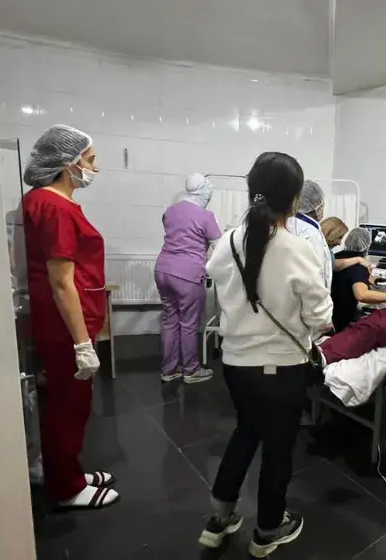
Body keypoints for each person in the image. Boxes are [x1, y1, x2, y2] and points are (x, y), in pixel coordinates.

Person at [199, 152, 333, 557]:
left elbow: (217, 286)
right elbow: (321, 315)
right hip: (283, 369)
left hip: (236, 364)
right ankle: (269, 529)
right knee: (277, 447)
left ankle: (219, 519)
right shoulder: (296, 248)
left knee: (245, 433)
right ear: (294, 199)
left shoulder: (227, 243)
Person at [20, 124, 119, 509]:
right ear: (67, 164)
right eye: (90, 161)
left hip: (65, 321)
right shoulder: (55, 207)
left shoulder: (43, 202)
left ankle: (65, 469)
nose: (95, 168)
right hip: (65, 327)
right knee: (69, 405)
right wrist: (81, 343)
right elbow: (62, 282)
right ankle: (67, 488)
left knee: (64, 403)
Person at [154, 173, 222, 384]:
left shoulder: (170, 211)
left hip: (162, 270)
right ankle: (191, 370)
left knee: (170, 320)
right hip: (187, 274)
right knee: (189, 323)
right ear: (204, 193)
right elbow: (218, 246)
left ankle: (169, 369)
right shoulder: (205, 216)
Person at [330, 227, 386, 332]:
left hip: (330, 315)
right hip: (342, 323)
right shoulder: (360, 267)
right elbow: (361, 295)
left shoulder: (335, 258)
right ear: (367, 247)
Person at [287, 180, 334, 288]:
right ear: (317, 208)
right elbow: (312, 279)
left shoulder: (290, 224)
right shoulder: (311, 234)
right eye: (323, 205)